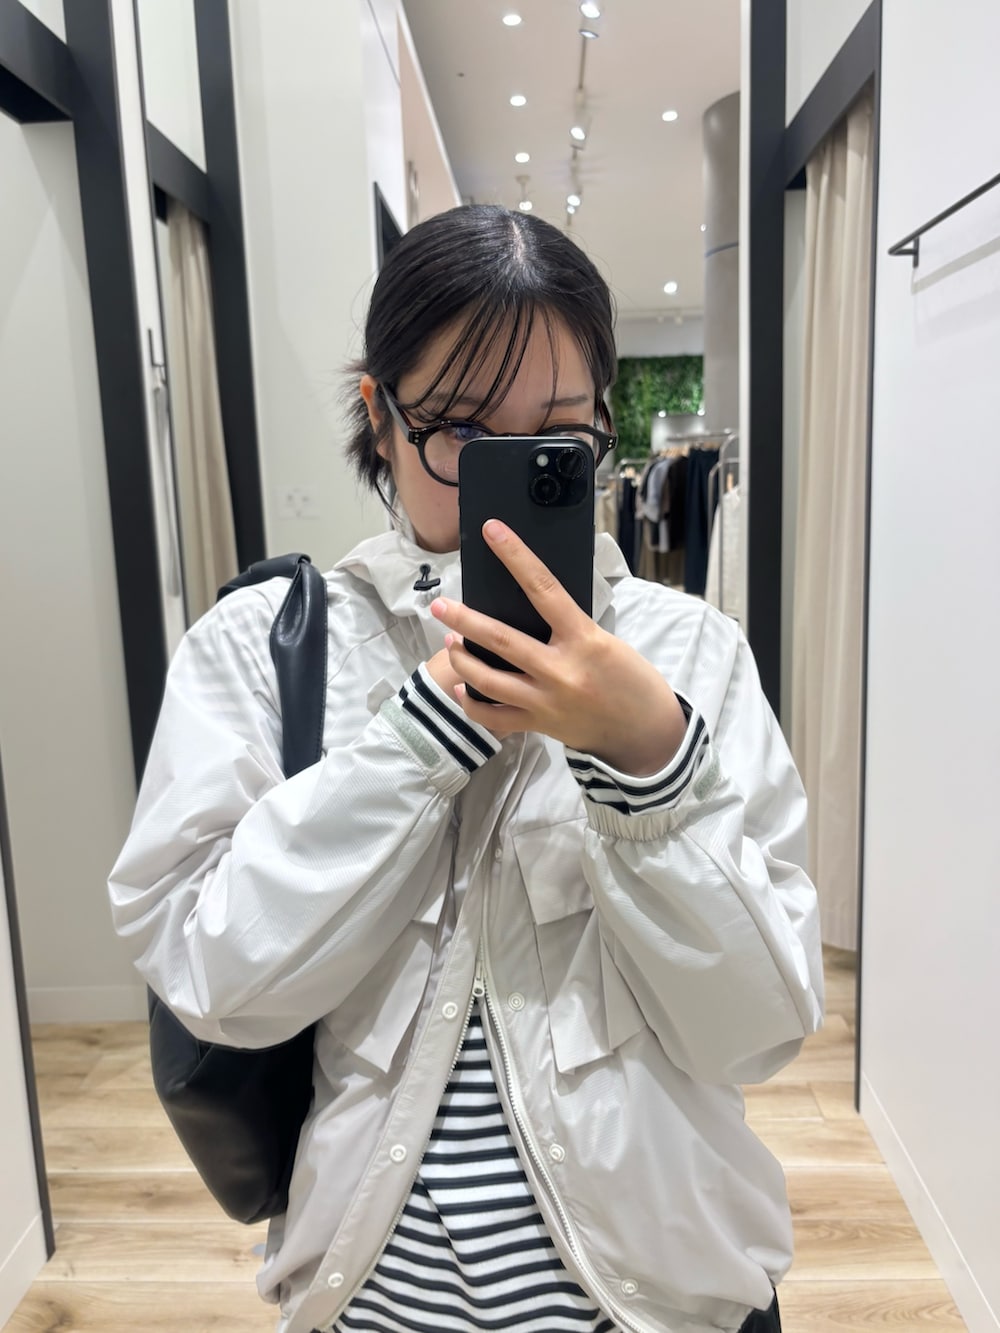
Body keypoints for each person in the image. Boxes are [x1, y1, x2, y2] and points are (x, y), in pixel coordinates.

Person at [109, 204, 824, 1333]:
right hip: (374, 1304)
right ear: (380, 416)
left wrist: (648, 762)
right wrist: (424, 734)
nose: (504, 476)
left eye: (555, 436)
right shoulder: (264, 647)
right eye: (458, 432)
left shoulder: (688, 655)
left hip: (664, 1302)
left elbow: (758, 1029)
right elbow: (215, 979)